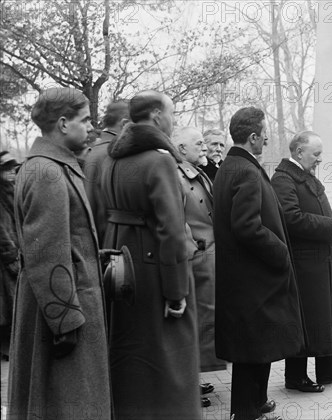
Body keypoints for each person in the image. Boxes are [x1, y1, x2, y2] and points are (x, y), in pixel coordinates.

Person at [8, 88, 111, 419]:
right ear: (63, 124)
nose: (91, 127)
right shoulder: (46, 173)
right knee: (66, 402)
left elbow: (67, 238)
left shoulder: (54, 167)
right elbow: (46, 254)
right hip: (62, 315)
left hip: (65, 306)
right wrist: (66, 322)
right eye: (85, 120)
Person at [101, 90, 201, 418]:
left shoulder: (112, 157)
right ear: (157, 116)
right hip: (156, 271)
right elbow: (171, 231)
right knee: (171, 364)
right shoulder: (159, 159)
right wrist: (176, 293)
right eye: (172, 113)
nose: (174, 120)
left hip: (122, 267)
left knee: (131, 360)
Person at [213, 107, 305, 420]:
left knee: (253, 346)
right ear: (253, 136)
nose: (267, 138)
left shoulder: (233, 165)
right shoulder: (245, 171)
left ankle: (253, 405)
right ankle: (246, 412)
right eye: (264, 133)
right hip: (254, 276)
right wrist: (280, 251)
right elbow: (246, 226)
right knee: (253, 347)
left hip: (245, 276)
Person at [271, 131, 332, 394]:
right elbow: (291, 218)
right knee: (305, 320)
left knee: (327, 316)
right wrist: (329, 225)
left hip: (322, 261)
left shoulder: (303, 175)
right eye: (316, 154)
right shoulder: (283, 180)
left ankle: (328, 368)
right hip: (305, 264)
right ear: (299, 152)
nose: (320, 159)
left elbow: (314, 213)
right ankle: (295, 376)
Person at [171, 126, 227, 408]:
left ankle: (192, 381)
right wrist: (195, 252)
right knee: (191, 327)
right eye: (198, 144)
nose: (205, 148)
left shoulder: (198, 171)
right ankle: (186, 388)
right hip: (197, 262)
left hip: (209, 260)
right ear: (181, 149)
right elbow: (178, 223)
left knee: (203, 326)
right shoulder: (177, 176)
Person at [84, 100, 129, 244]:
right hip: (114, 244)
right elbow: (94, 210)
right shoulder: (110, 154)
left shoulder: (97, 152)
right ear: (124, 124)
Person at [0, 152, 19, 361]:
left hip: (14, 251)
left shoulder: (10, 191)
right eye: (7, 170)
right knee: (7, 301)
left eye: (14, 169)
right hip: (6, 257)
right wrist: (11, 256)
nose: (12, 174)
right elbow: (2, 230)